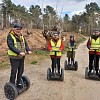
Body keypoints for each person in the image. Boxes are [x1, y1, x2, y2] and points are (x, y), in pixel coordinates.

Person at [7, 23, 32, 87]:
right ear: (13, 29)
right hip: (14, 57)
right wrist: (19, 52)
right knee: (14, 71)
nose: (18, 30)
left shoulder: (21, 36)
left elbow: (25, 44)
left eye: (20, 29)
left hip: (21, 56)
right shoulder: (10, 36)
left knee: (21, 70)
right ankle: (11, 84)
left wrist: (28, 50)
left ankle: (18, 82)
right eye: (17, 29)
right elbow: (11, 46)